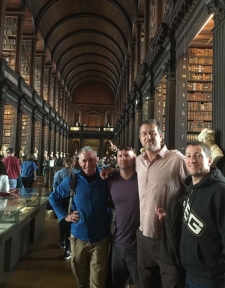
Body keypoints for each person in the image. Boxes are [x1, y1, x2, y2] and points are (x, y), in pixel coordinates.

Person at [101, 119, 188, 288]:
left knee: (172, 282)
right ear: (140, 139)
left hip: (167, 236)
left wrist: (175, 211)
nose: (148, 137)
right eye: (144, 134)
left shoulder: (177, 160)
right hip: (143, 237)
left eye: (152, 133)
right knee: (146, 283)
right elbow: (124, 167)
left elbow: (193, 189)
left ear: (161, 136)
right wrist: (112, 170)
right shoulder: (139, 161)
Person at [49, 146, 110, 288]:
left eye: (91, 160)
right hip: (78, 238)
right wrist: (65, 216)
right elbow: (53, 197)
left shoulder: (105, 179)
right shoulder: (73, 180)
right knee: (81, 280)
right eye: (84, 161)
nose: (88, 164)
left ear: (97, 160)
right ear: (79, 162)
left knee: (98, 282)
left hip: (100, 238)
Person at [180, 141, 225, 288]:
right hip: (190, 273)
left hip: (212, 279)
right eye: (188, 155)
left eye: (198, 155)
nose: (192, 160)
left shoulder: (220, 192)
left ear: (209, 160)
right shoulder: (191, 189)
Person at [107, 146, 140, 288]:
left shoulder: (143, 178)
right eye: (120, 156)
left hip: (138, 246)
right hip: (117, 244)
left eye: (127, 156)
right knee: (118, 284)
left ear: (135, 159)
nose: (123, 158)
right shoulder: (110, 180)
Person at [53, 156, 77, 260]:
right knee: (70, 223)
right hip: (73, 201)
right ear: (74, 162)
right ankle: (68, 249)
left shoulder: (59, 173)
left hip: (61, 200)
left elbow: (55, 187)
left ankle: (62, 240)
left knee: (62, 218)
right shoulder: (76, 173)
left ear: (64, 163)